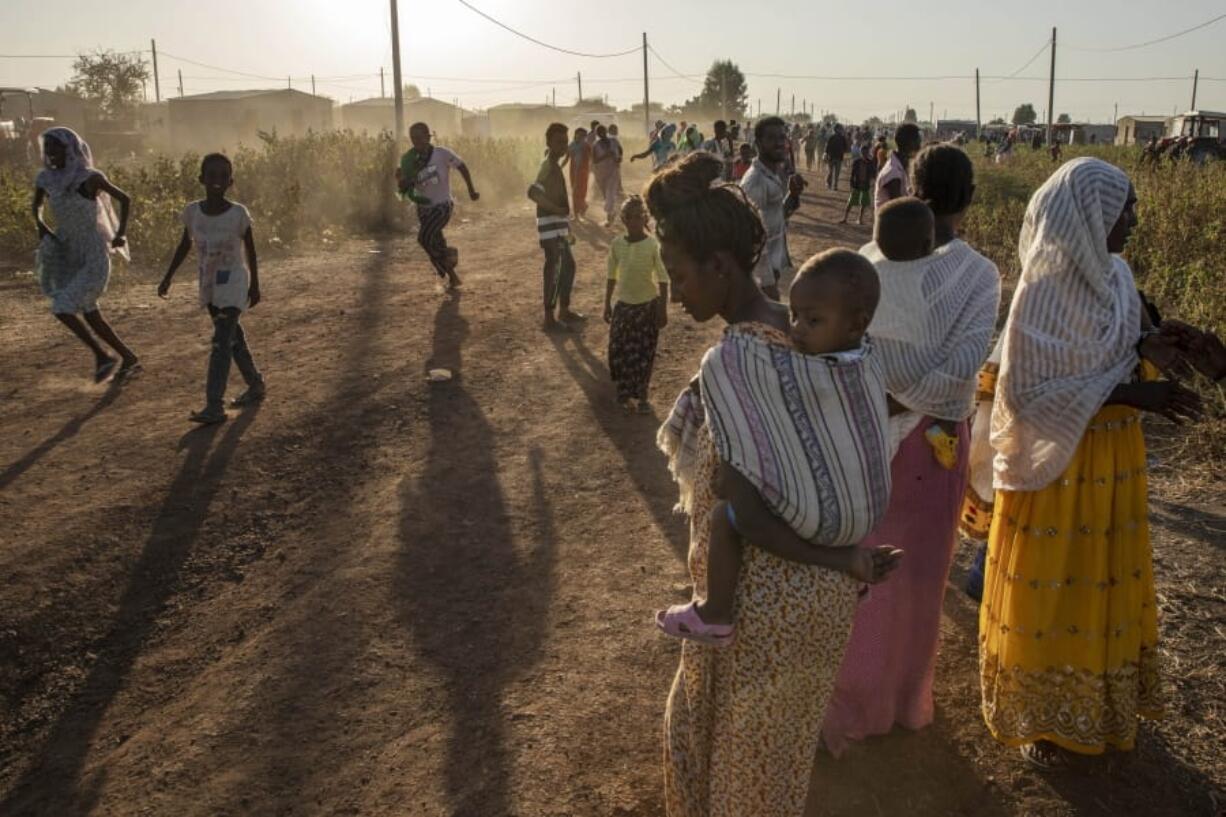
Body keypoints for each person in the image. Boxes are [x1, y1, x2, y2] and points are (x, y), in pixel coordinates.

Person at [648, 153, 901, 816]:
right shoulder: (809, 341)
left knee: (734, 773)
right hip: (818, 607)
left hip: (767, 605)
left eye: (679, 277)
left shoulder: (735, 361)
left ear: (720, 267)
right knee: (766, 770)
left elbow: (750, 515)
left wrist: (843, 556)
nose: (676, 296)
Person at [979, 157, 1209, 769]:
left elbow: (1118, 353)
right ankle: (1047, 720)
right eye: (1124, 208)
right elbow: (1025, 394)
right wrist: (1135, 393)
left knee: (1102, 579)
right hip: (1059, 468)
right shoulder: (1040, 293)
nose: (1133, 220)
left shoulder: (1118, 279)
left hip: (1113, 461)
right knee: (1053, 587)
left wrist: (1154, 349)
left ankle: (1098, 707)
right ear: (1089, 214)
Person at [822, 145, 1002, 757]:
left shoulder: (868, 259)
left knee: (869, 573)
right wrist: (913, 400)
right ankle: (904, 701)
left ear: (910, 187)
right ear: (969, 195)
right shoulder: (980, 275)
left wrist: (886, 398)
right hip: (936, 444)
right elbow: (962, 369)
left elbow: (844, 351)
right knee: (922, 574)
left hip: (870, 438)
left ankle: (855, 699)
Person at [656, 248, 900, 644]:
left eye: (814, 320)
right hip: (864, 522)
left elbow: (767, 474)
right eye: (796, 316)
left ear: (857, 325)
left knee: (726, 517)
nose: (799, 330)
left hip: (815, 533)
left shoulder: (783, 368)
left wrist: (737, 472)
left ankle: (714, 612)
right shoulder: (866, 362)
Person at [158, 153, 266, 424]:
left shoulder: (238, 214)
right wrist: (168, 276)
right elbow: (185, 244)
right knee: (233, 339)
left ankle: (214, 405)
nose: (217, 181)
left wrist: (255, 284)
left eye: (223, 176)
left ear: (231, 181)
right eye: (211, 175)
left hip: (234, 285)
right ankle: (255, 384)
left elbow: (250, 251)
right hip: (210, 285)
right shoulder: (193, 212)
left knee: (220, 343)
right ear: (201, 179)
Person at [32, 127, 140, 383]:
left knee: (62, 307)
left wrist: (120, 234)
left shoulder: (90, 178)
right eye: (47, 148)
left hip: (93, 253)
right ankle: (128, 357)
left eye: (55, 148)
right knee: (90, 312)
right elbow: (35, 206)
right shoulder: (46, 179)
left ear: (69, 149)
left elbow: (124, 199)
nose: (50, 153)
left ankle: (103, 356)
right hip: (68, 251)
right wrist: (41, 225)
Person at [603, 196, 669, 412]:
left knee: (643, 354)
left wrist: (662, 309)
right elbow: (611, 275)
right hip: (624, 306)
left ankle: (642, 398)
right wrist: (607, 303)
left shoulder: (652, 245)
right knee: (618, 350)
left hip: (647, 306)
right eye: (630, 217)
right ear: (624, 220)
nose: (634, 221)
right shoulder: (617, 244)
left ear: (645, 218)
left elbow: (662, 278)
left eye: (639, 217)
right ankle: (623, 391)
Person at [396, 122, 479, 290]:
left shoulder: (441, 154)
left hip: (442, 207)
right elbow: (404, 188)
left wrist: (471, 189)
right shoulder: (410, 160)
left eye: (419, 138)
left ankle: (449, 258)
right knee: (435, 243)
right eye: (413, 139)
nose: (416, 142)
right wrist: (401, 180)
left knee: (424, 238)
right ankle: (453, 276)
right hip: (424, 210)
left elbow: (462, 166)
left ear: (428, 137)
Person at [740, 116, 804, 300]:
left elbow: (776, 216)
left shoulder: (771, 174)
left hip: (771, 266)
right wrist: (767, 284)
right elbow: (751, 237)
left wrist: (793, 195)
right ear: (758, 143)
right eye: (772, 138)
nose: (779, 143)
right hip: (760, 275)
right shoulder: (756, 182)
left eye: (782, 138)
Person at [528, 123, 581, 331]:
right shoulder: (547, 165)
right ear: (549, 142)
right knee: (555, 267)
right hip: (550, 224)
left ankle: (564, 311)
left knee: (568, 265)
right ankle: (549, 318)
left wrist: (566, 226)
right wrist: (556, 210)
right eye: (559, 142)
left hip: (558, 225)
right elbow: (532, 192)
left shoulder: (554, 164)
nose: (563, 146)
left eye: (565, 142)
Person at [875, 122, 921, 210]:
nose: (920, 145)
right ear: (910, 143)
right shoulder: (893, 173)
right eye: (918, 141)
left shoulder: (900, 166)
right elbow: (899, 209)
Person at [591, 125, 623, 227]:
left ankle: (609, 218)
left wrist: (619, 158)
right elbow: (595, 160)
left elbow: (620, 150)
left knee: (610, 193)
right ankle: (612, 213)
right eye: (599, 132)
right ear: (597, 134)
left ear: (606, 131)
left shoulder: (614, 141)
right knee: (606, 195)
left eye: (603, 131)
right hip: (601, 172)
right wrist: (606, 155)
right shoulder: (596, 145)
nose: (602, 133)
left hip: (613, 170)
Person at [841, 143, 876, 225]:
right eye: (863, 152)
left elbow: (873, 174)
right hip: (857, 184)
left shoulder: (870, 163)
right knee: (851, 202)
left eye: (866, 152)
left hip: (865, 184)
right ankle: (845, 218)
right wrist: (851, 183)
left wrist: (873, 181)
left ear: (868, 153)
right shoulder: (857, 162)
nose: (864, 154)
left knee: (863, 203)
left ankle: (859, 219)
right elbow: (852, 174)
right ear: (861, 152)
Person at [563, 127, 592, 220]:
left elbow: (592, 158)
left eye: (583, 136)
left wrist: (591, 169)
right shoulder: (571, 145)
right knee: (575, 192)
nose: (581, 137)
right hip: (573, 171)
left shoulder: (586, 146)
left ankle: (579, 211)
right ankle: (581, 209)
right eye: (580, 135)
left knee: (579, 192)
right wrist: (560, 167)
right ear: (575, 134)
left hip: (583, 171)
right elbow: (567, 158)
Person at [824, 123, 849, 190]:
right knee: (830, 172)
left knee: (837, 173)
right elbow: (827, 147)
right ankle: (829, 184)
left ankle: (835, 185)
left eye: (840, 129)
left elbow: (846, 148)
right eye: (839, 128)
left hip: (839, 157)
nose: (840, 130)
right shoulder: (831, 137)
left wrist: (845, 156)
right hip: (831, 157)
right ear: (836, 129)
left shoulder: (842, 138)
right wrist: (826, 154)